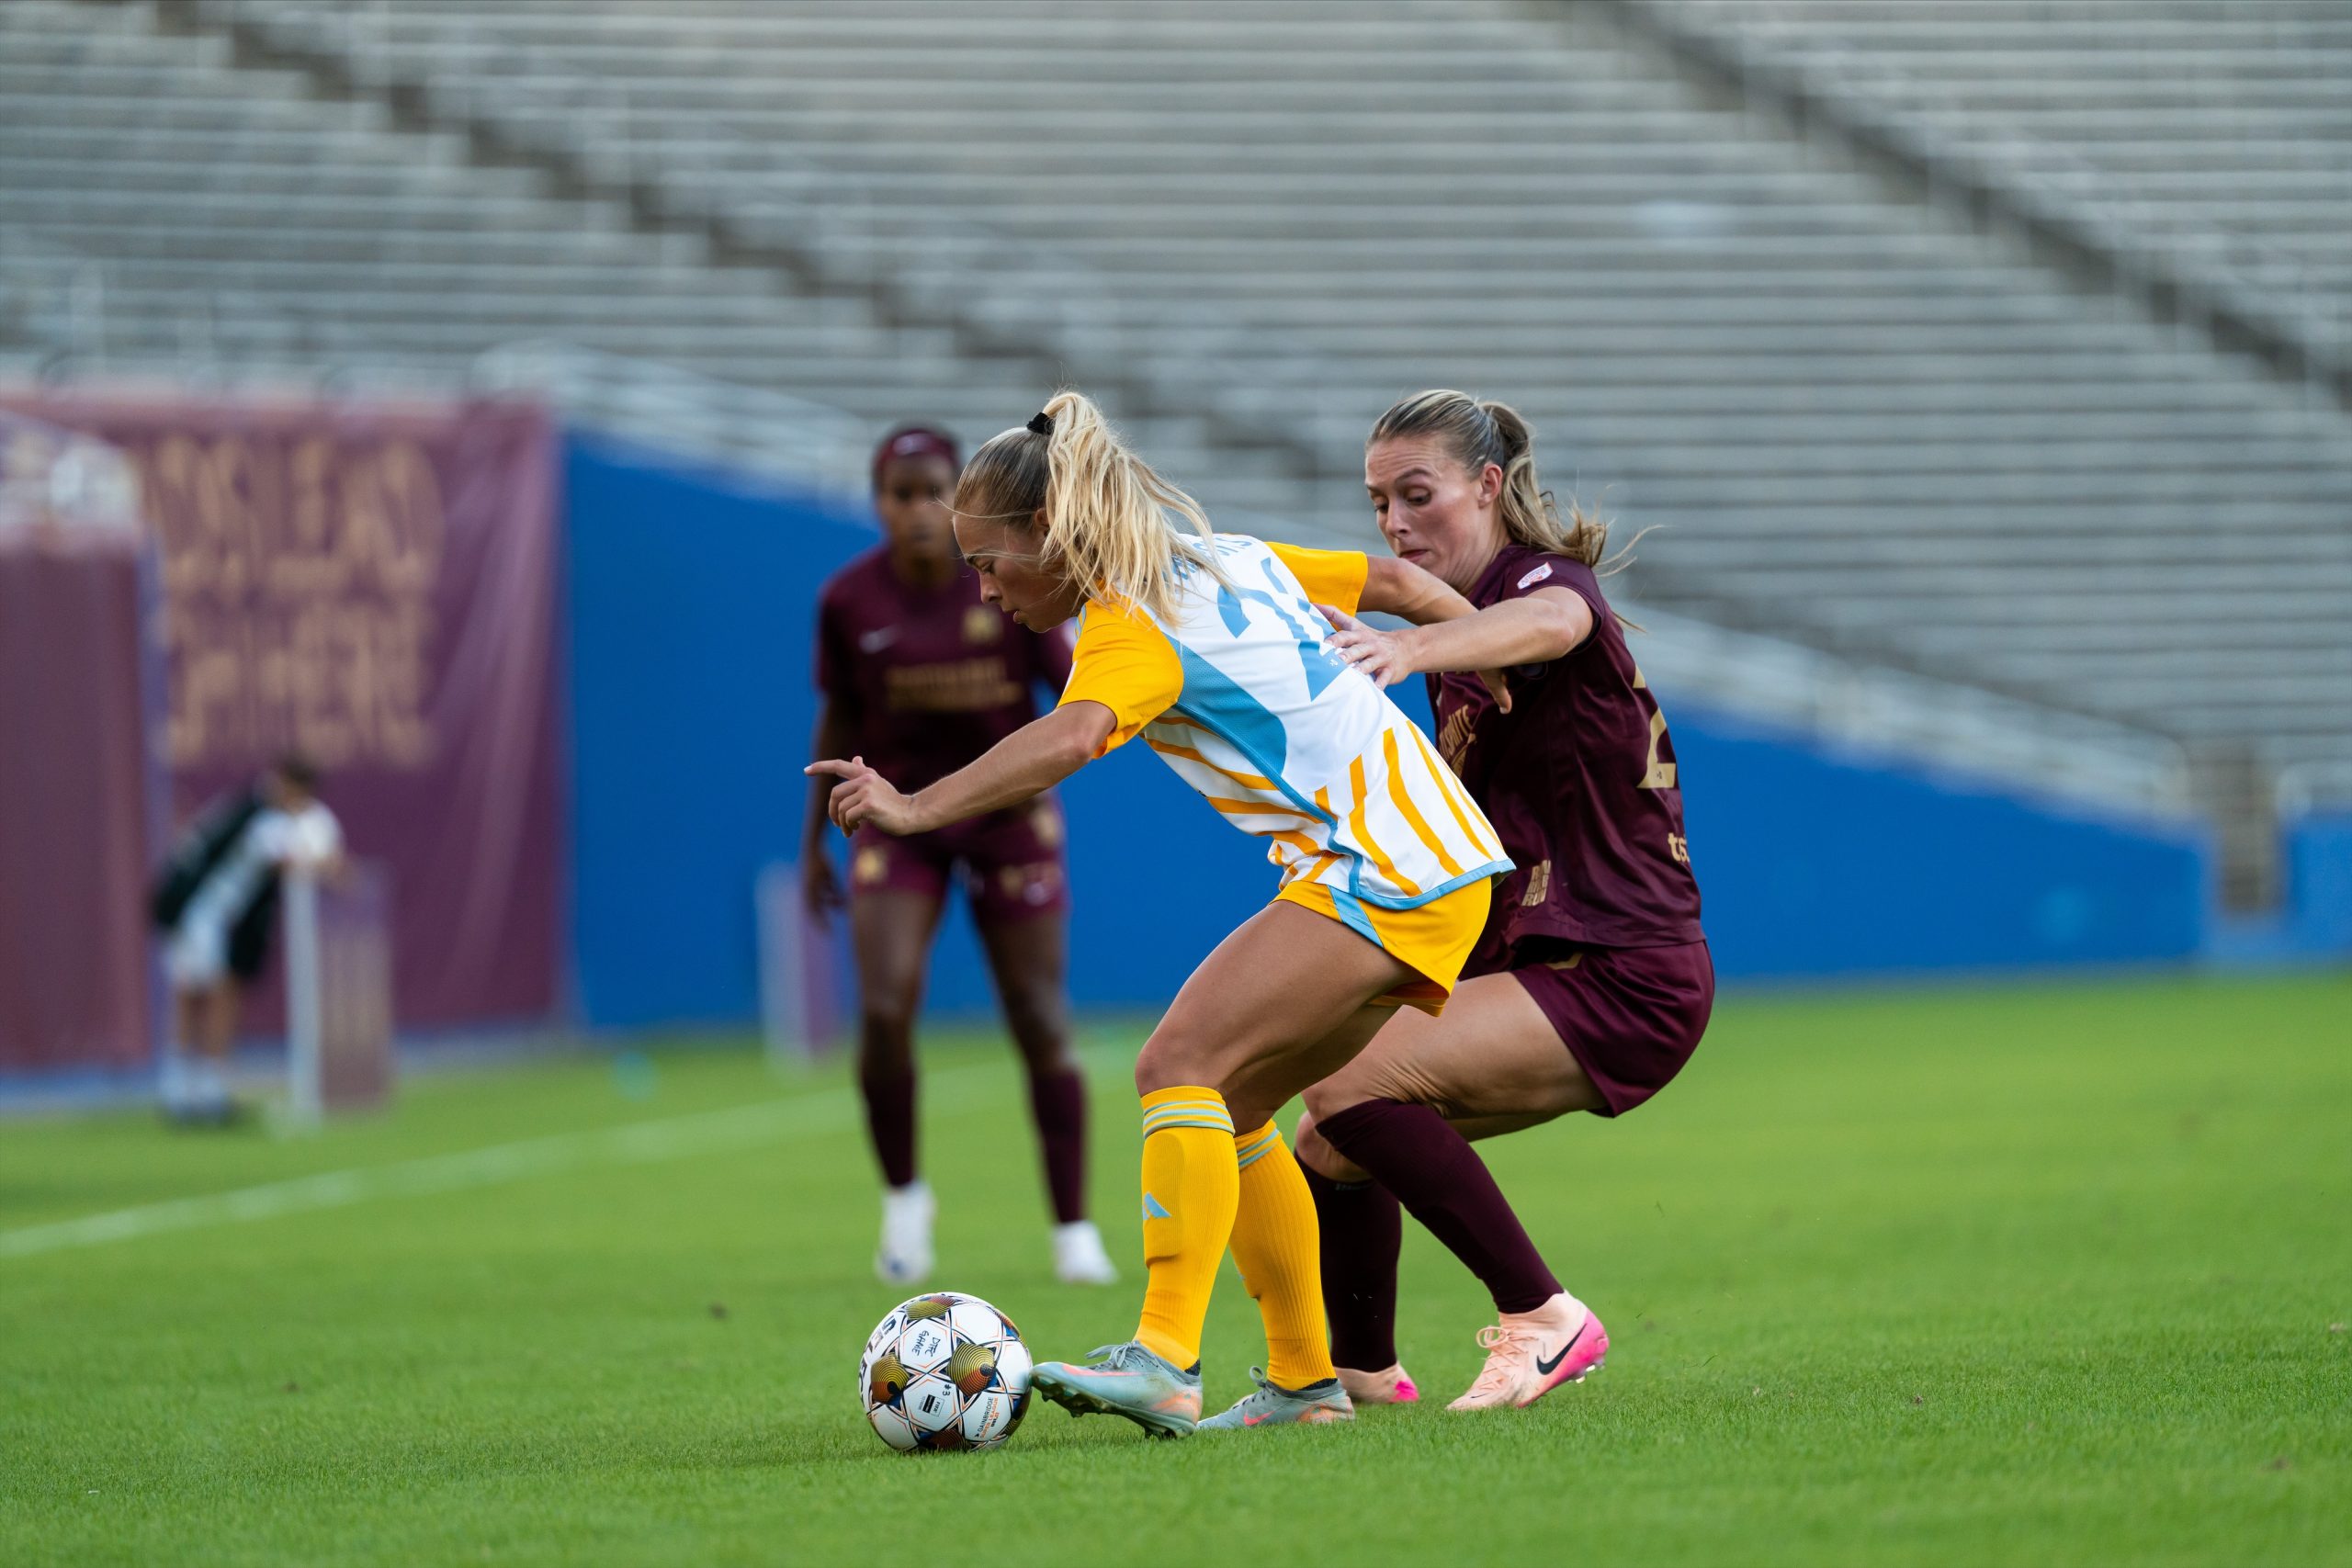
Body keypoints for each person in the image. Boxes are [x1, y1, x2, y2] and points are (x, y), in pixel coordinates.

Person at [808, 391, 1512, 1438]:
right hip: (1431, 867)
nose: (987, 589)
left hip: (1382, 865)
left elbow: (1068, 738)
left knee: (1172, 1065)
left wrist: (913, 807)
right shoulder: (1222, 555)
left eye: (993, 564)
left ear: (1053, 535)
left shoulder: (1124, 624)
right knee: (1228, 1110)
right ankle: (1303, 1384)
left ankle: (1166, 1359)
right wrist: (1495, 675)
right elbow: (1400, 582)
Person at [1288, 389, 1713, 1412]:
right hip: (1554, 958)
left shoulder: (1534, 588)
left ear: (1487, 487)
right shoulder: (1460, 642)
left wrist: (1412, 646)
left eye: (1417, 494)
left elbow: (1558, 618)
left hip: (1621, 967)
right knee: (1328, 1136)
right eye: (1379, 501)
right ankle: (1355, 1376)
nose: (1393, 523)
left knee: (1348, 1088)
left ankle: (1543, 1316)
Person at [805, 423, 1116, 1287]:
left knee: (1039, 1014)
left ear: (958, 499)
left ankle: (1073, 1228)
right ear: (877, 501)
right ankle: (905, 1198)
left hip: (1008, 819)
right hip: (897, 820)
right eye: (896, 492)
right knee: (885, 1002)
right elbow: (834, 724)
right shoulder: (848, 600)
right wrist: (810, 847)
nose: (913, 510)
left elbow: (1078, 694)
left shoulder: (1008, 583)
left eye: (928, 491)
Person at [149, 754, 344, 1124]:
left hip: (211, 919)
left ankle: (200, 1090)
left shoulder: (249, 807)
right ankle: (189, 1092)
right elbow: (292, 862)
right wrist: (332, 867)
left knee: (212, 995)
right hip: (197, 914)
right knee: (202, 997)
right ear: (286, 785)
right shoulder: (261, 817)